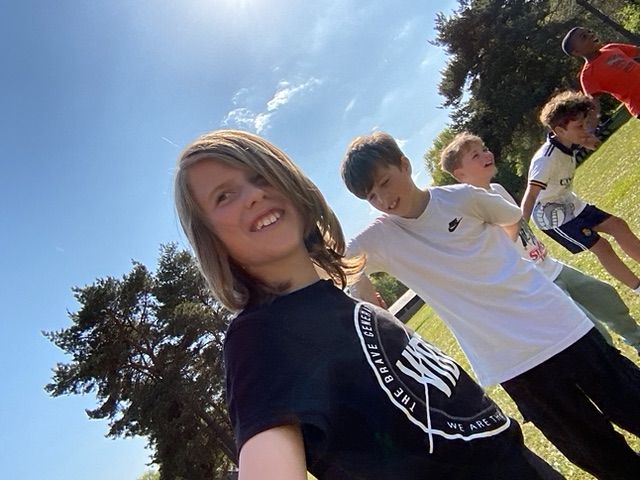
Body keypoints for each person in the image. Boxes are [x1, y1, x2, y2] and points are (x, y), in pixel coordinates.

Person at [173, 129, 561, 480]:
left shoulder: (343, 303)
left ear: (293, 185)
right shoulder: (258, 339)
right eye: (224, 196)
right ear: (211, 239)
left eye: (261, 176)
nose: (254, 194)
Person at [341, 130, 640, 479]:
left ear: (404, 165)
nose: (383, 198)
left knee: (631, 402)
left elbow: (511, 219)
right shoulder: (377, 239)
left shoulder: (463, 198)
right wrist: (361, 290)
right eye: (371, 195)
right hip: (511, 363)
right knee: (596, 453)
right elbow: (334, 266)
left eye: (385, 182)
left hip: (560, 327)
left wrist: (499, 264)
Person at [442, 131, 640, 354]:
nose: (486, 155)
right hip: (536, 280)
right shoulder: (472, 208)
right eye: (475, 155)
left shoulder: (497, 190)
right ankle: (616, 365)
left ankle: (637, 340)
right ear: (460, 174)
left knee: (605, 297)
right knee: (592, 329)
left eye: (484, 149)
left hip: (550, 265)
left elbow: (522, 226)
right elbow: (498, 246)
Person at [521, 90, 640, 294]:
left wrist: (585, 141)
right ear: (560, 130)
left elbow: (583, 144)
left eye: (584, 123)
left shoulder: (567, 142)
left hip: (571, 204)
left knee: (618, 225)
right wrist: (521, 230)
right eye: (579, 126)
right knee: (602, 247)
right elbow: (531, 195)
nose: (584, 129)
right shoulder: (545, 160)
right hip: (553, 217)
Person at [562, 27, 640, 117]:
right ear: (576, 52)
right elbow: (593, 101)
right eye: (584, 37)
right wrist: (591, 117)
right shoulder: (588, 75)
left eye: (589, 31)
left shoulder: (612, 47)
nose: (591, 35)